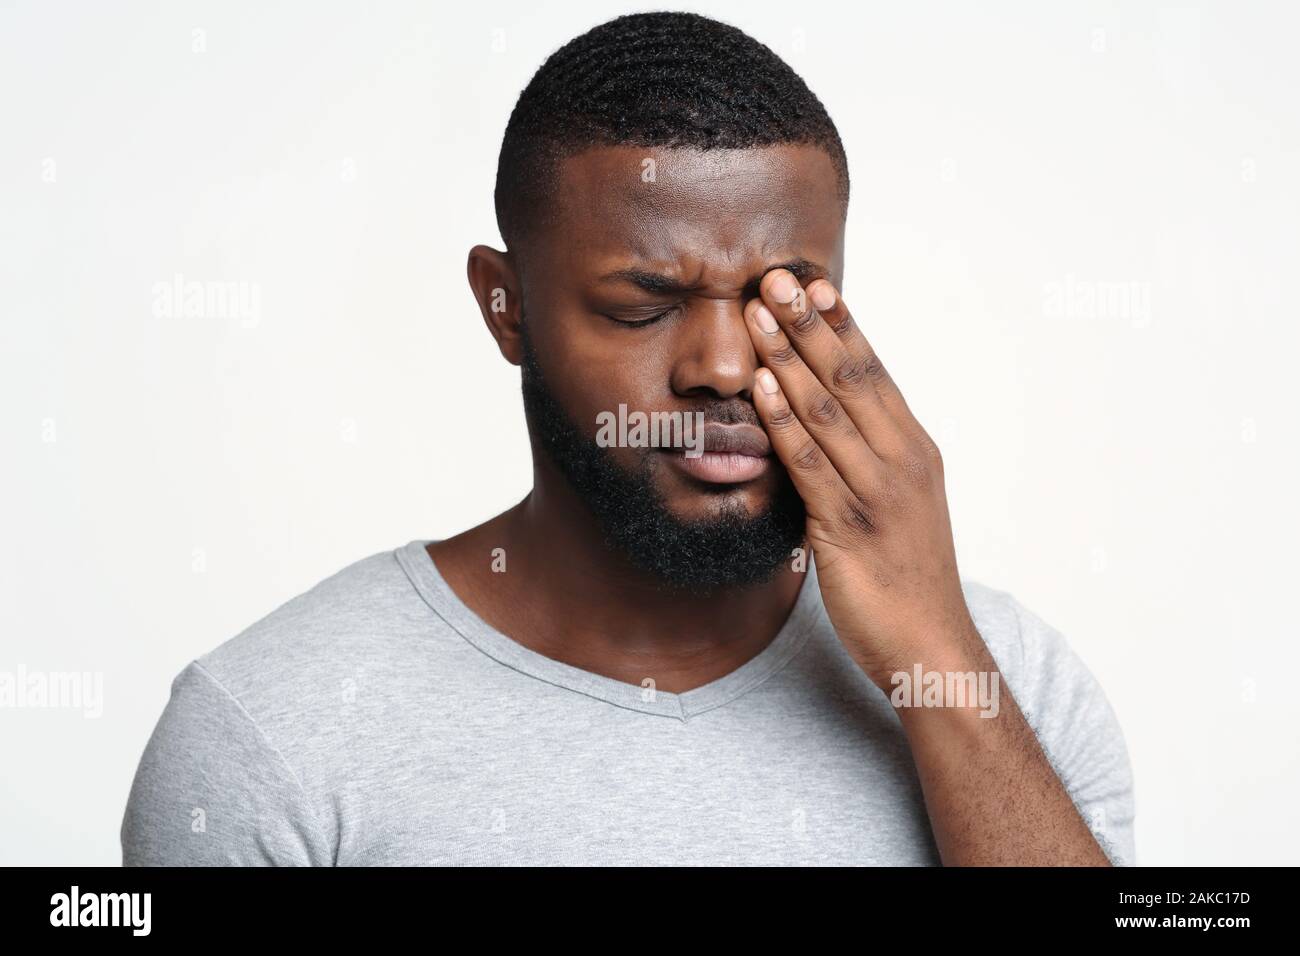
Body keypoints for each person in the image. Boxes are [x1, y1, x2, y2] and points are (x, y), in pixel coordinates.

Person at [121, 11, 1135, 866]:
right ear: (504, 303)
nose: (726, 366)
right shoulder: (269, 729)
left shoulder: (1010, 685)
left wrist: (933, 650)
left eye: (784, 301)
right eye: (646, 304)